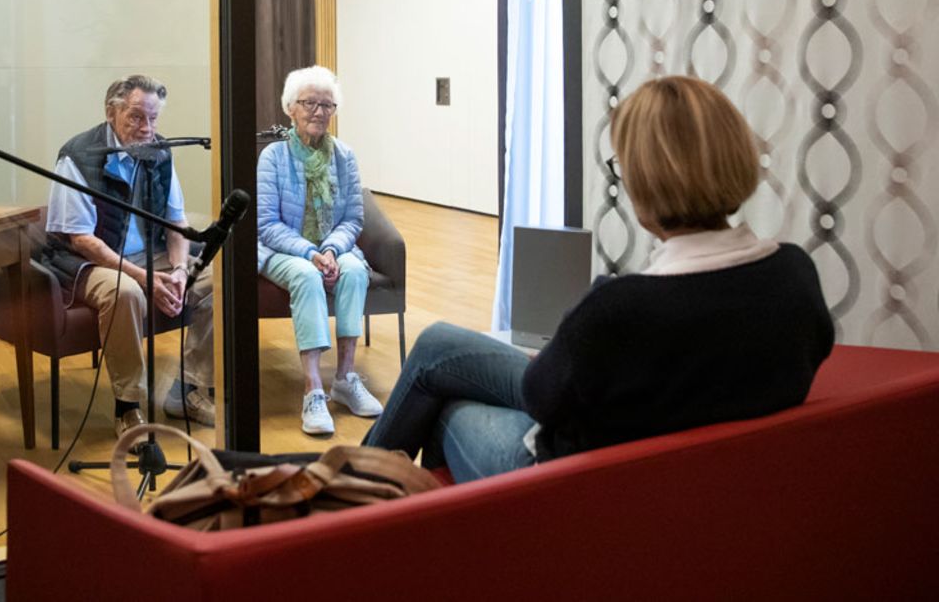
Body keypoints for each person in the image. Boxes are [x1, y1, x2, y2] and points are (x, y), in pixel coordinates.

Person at [364, 75, 834, 482]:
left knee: (446, 408)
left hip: (564, 479)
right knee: (438, 343)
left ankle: (350, 508)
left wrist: (569, 347)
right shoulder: (794, 275)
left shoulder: (622, 309)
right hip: (700, 469)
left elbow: (543, 400)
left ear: (645, 182)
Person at [42, 75, 214, 440]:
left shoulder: (159, 150)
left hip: (150, 253)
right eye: (136, 117)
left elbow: (176, 221)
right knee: (126, 292)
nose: (146, 128)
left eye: (153, 119)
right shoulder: (79, 155)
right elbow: (80, 238)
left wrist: (181, 269)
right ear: (111, 112)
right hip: (91, 260)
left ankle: (188, 390)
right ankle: (129, 406)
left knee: (219, 279)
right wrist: (141, 276)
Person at [258, 65, 383, 436]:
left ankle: (344, 377)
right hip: (283, 249)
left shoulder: (343, 156)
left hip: (332, 245)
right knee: (307, 275)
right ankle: (313, 389)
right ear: (290, 108)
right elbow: (266, 224)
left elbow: (353, 219)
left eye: (327, 104)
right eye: (309, 102)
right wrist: (310, 253)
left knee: (356, 270)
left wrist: (330, 248)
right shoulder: (273, 158)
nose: (318, 111)